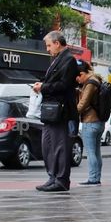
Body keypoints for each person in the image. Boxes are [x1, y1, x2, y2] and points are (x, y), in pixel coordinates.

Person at [34, 31, 79, 192]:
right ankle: (52, 177)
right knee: (47, 146)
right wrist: (41, 85)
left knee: (60, 146)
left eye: (48, 45)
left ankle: (61, 180)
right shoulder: (56, 60)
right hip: (50, 111)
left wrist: (43, 87)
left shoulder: (69, 60)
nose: (47, 49)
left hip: (62, 111)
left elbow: (64, 85)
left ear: (57, 43)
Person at [75, 63, 104, 186]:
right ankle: (96, 177)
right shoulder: (97, 80)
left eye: (77, 78)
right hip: (99, 122)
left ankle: (93, 178)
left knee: (91, 152)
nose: (78, 81)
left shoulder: (90, 83)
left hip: (90, 121)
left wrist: (72, 113)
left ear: (81, 74)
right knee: (96, 152)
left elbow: (83, 103)